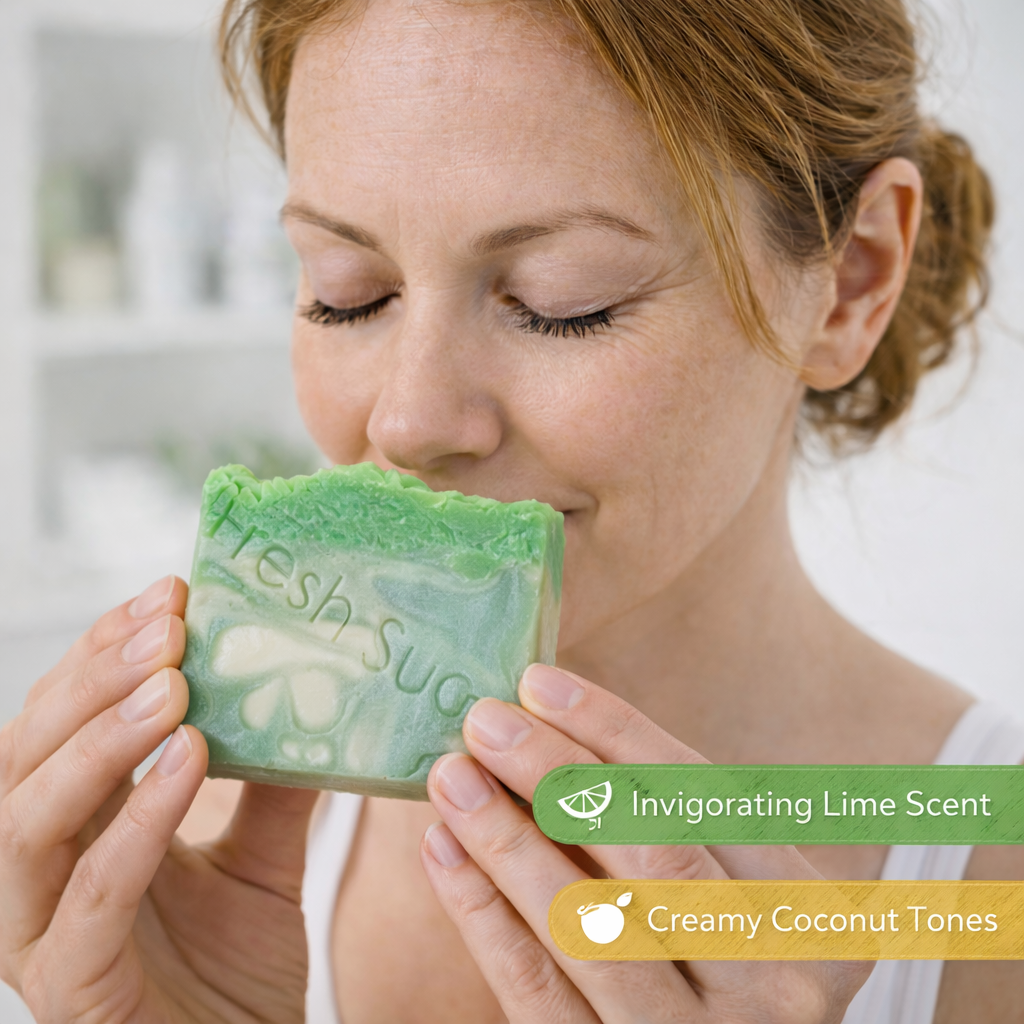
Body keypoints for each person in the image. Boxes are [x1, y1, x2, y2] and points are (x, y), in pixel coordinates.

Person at [2, 0, 1022, 1021]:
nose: (408, 421)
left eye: (560, 299)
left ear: (849, 282)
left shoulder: (987, 881)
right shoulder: (197, 849)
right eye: (345, 291)